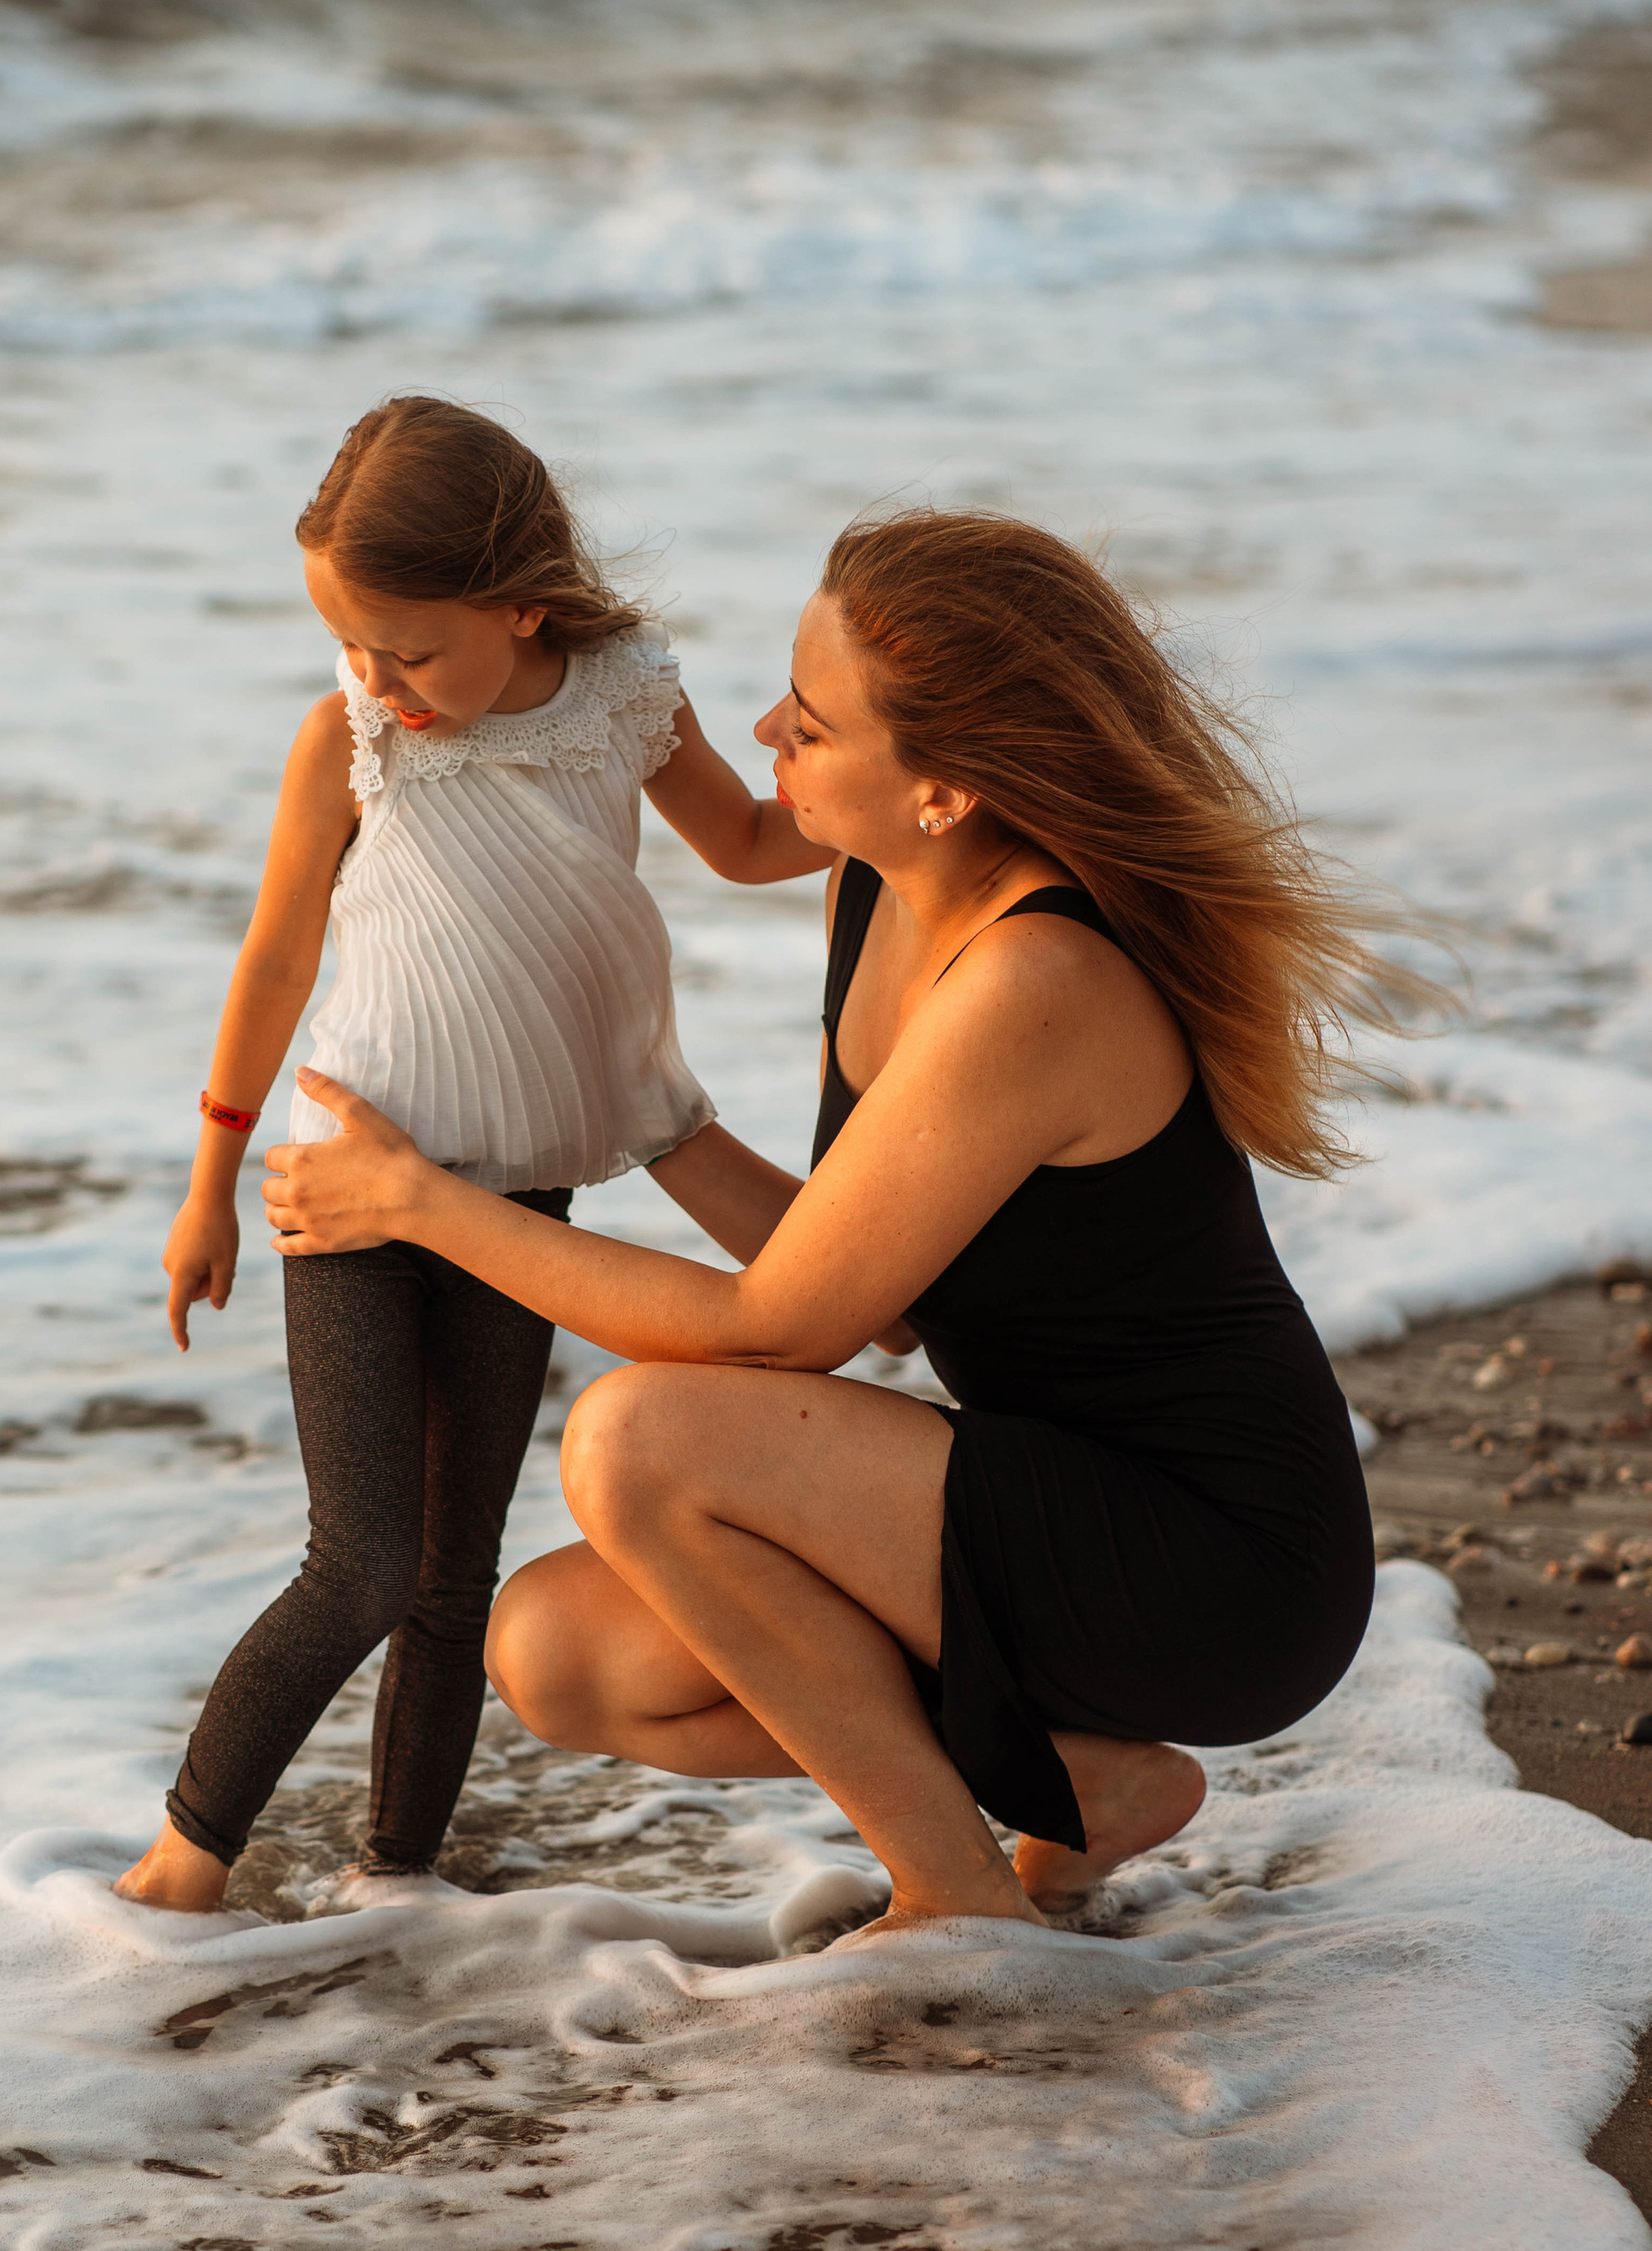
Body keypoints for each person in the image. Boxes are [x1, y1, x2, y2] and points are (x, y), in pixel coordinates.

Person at [260, 511, 1394, 1934]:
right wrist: (659, 1118)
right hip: (1021, 1503)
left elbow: (787, 1326)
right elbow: (898, 1303)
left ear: (944, 790)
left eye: (810, 720)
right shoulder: (886, 885)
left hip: (1214, 1563)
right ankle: (1082, 1783)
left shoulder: (1037, 980)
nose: (762, 731)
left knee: (636, 1439)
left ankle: (953, 1893)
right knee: (556, 1652)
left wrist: (421, 1207)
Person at [114, 396, 833, 1914]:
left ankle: (402, 1880)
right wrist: (209, 1186)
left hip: (521, 1198)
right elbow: (274, 959)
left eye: (410, 647)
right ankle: (182, 1861)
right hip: (351, 1192)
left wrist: (940, 788)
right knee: (360, 1562)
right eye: (352, 644)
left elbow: (755, 846)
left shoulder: (629, 699)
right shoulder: (356, 737)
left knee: (453, 1583)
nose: (377, 681)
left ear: (520, 602)